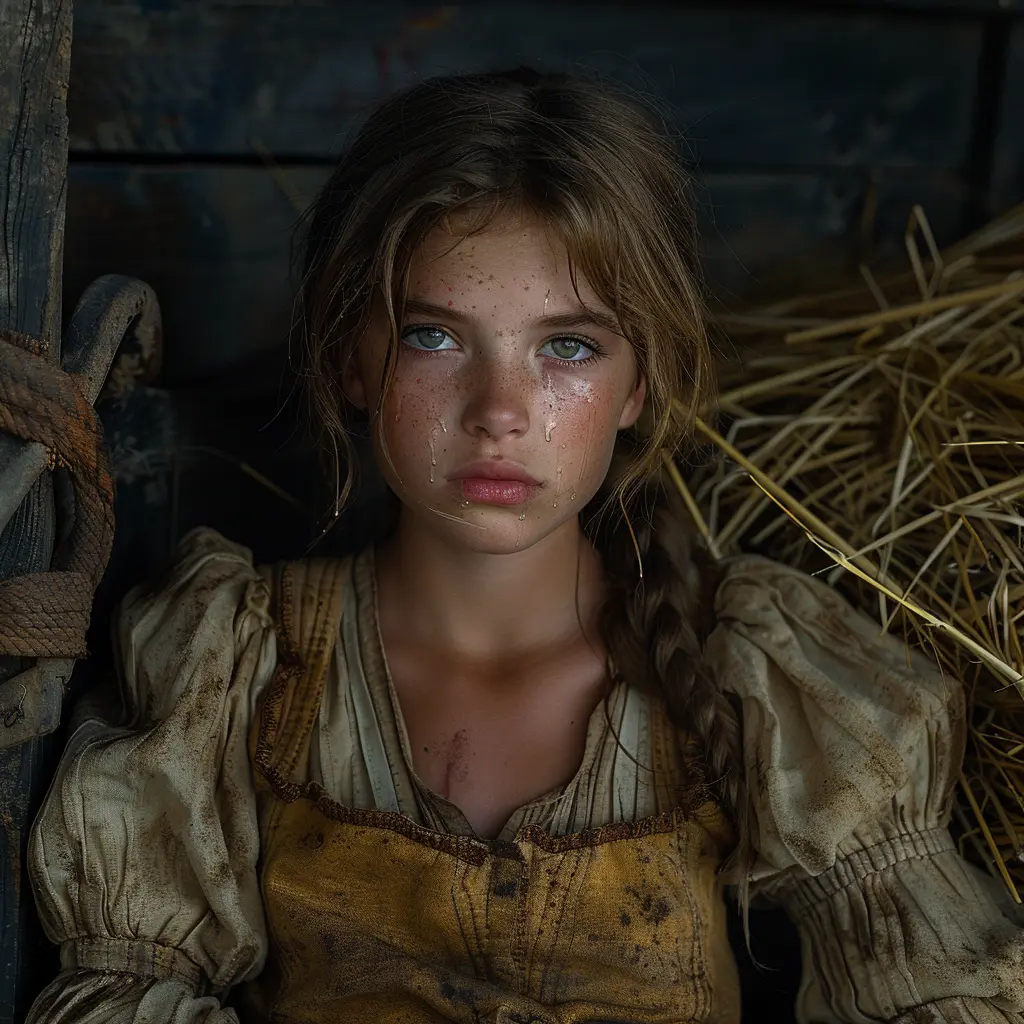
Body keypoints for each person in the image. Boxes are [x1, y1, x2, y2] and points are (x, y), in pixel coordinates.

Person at [25, 67, 1024, 1024]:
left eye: (569, 347)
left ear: (639, 384)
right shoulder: (237, 667)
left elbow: (937, 987)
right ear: (352, 356)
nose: (500, 412)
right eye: (436, 336)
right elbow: (126, 989)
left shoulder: (750, 675)